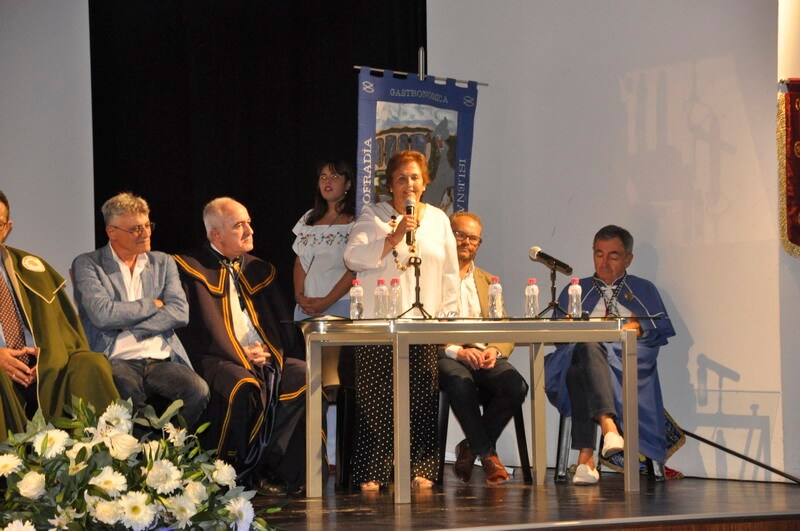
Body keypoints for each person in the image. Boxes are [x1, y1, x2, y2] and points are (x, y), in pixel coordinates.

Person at [174, 197, 307, 494]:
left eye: (248, 222)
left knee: (304, 376)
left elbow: (276, 327)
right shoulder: (189, 268)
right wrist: (239, 353)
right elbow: (196, 332)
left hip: (262, 356)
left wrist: (268, 351)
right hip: (217, 357)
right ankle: (227, 474)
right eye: (239, 225)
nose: (249, 230)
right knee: (242, 385)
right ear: (216, 235)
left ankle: (274, 468)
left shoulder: (259, 269)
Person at [344, 150, 459, 491]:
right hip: (380, 324)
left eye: (415, 178)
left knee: (422, 397)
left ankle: (420, 468)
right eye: (401, 179)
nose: (408, 184)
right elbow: (353, 257)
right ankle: (372, 471)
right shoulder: (373, 215)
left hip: (422, 324)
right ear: (390, 184)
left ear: (424, 183)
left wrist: (447, 319)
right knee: (376, 399)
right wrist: (394, 236)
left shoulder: (439, 219)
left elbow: (450, 273)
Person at [544, 225, 675, 485]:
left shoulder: (643, 288)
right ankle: (609, 428)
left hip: (626, 361)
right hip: (581, 354)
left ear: (628, 259)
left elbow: (656, 331)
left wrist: (638, 328)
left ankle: (586, 458)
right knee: (586, 347)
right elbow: (557, 336)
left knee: (580, 368)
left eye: (613, 256)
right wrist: (568, 329)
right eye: (598, 254)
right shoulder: (576, 288)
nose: (604, 262)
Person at [71, 192, 209, 428]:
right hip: (116, 358)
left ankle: (168, 448)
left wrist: (132, 326)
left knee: (198, 391)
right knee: (130, 400)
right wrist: (151, 305)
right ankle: (144, 457)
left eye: (147, 225)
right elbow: (102, 315)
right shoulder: (88, 264)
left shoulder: (163, 262)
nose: (145, 233)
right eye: (135, 229)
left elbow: (179, 312)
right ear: (112, 232)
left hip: (161, 357)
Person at [0, 190, 118, 441]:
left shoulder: (32, 268)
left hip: (42, 363)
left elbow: (65, 332)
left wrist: (48, 356)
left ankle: (100, 467)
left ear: (7, 227)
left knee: (91, 364)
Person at [439, 212, 529, 485]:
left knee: (516, 385)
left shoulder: (489, 282)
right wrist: (458, 351)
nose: (466, 242)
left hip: (483, 352)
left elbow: (503, 327)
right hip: (446, 352)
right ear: (447, 235)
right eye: (459, 235)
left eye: (473, 238)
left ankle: (469, 448)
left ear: (479, 243)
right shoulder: (431, 278)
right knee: (460, 380)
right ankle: (487, 454)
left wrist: (495, 351)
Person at [292, 160, 356, 319]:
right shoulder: (308, 217)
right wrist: (300, 297)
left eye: (334, 176)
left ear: (348, 184)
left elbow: (354, 269)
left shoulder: (357, 221)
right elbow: (300, 263)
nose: (327, 181)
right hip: (307, 306)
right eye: (323, 177)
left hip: (340, 303)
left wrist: (327, 302)